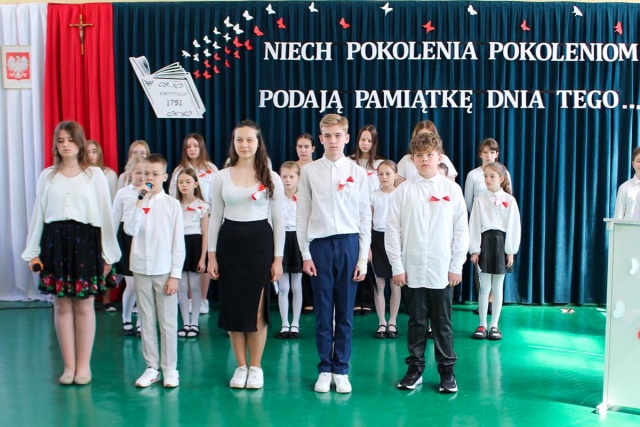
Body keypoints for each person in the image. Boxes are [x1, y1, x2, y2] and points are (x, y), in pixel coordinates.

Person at [22, 120, 121, 385]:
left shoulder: (94, 175)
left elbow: (105, 215)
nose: (65, 145)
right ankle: (68, 366)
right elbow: (38, 214)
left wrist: (108, 254)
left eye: (70, 140)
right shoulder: (47, 175)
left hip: (86, 242)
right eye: (60, 140)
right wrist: (33, 251)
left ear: (80, 143)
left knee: (85, 305)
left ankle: (84, 367)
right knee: (62, 305)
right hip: (55, 242)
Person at [385, 132, 469, 393]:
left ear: (439, 157)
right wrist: (397, 267)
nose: (425, 160)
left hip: (441, 268)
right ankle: (415, 369)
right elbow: (392, 231)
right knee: (416, 322)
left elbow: (461, 230)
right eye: (419, 155)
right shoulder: (403, 190)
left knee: (442, 323)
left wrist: (456, 265)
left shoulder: (452, 190)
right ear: (412, 159)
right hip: (412, 268)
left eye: (429, 155)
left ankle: (447, 372)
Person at [297, 113, 371, 394]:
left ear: (347, 138)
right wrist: (305, 253)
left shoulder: (358, 172)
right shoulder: (310, 171)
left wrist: (362, 258)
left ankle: (341, 369)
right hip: (320, 246)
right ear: (320, 138)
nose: (332, 140)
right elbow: (302, 214)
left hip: (349, 244)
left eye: (338, 135)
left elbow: (364, 216)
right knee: (323, 312)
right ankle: (324, 368)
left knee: (345, 314)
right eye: (327, 136)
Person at [208, 120, 285, 390]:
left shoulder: (271, 177)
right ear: (233, 143)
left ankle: (256, 366)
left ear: (258, 143)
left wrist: (278, 259)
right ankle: (241, 366)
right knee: (234, 308)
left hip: (260, 245)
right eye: (239, 140)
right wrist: (211, 255)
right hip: (230, 245)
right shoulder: (221, 176)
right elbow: (215, 217)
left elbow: (279, 220)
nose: (244, 144)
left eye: (249, 139)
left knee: (257, 310)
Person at [124, 154, 185, 388]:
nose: (149, 177)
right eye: (145, 173)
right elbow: (130, 230)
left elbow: (178, 243)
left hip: (164, 269)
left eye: (154, 174)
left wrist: (175, 275)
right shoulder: (136, 201)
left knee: (167, 321)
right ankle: (152, 367)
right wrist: (139, 205)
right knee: (146, 319)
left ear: (164, 177)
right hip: (140, 268)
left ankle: (170, 369)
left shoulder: (172, 204)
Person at [469, 162, 521, 341]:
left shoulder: (509, 200)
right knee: (484, 287)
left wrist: (510, 251)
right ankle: (482, 324)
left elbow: (513, 226)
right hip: (485, 244)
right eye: (485, 176)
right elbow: (474, 225)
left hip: (501, 244)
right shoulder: (480, 200)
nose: (488, 180)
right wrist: (475, 250)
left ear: (501, 179)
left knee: (498, 287)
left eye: (492, 176)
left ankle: (494, 325)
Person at [168, 133, 218, 316]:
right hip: (185, 220)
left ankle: (202, 299)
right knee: (186, 265)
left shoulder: (211, 169)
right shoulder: (179, 170)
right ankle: (188, 300)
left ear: (201, 147)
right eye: (188, 146)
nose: (192, 149)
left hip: (207, 216)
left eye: (195, 146)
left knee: (202, 261)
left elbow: (217, 193)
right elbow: (172, 195)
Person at [463, 138, 514, 315]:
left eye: (492, 152)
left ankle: (492, 305)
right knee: (482, 270)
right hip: (481, 227)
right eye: (485, 152)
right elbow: (468, 201)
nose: (488, 155)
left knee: (497, 272)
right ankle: (483, 304)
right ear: (480, 154)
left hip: (499, 231)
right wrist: (480, 218)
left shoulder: (504, 173)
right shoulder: (473, 175)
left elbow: (508, 197)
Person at [350, 125, 384, 316]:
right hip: (353, 215)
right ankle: (354, 299)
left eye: (369, 140)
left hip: (374, 216)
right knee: (355, 256)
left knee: (371, 259)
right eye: (363, 139)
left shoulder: (380, 164)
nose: (365, 143)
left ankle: (367, 299)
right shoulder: (349, 162)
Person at [112, 155, 146, 336]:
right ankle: (126, 318)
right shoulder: (123, 193)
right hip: (126, 239)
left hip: (144, 238)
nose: (141, 176)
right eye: (138, 172)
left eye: (145, 173)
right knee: (131, 284)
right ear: (130, 173)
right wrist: (111, 245)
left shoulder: (151, 192)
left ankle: (141, 321)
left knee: (142, 284)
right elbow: (115, 219)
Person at [175, 168, 209, 338]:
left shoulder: (203, 206)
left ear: (195, 184)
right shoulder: (174, 205)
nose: (184, 185)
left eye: (188, 181)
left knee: (195, 286)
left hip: (195, 245)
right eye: (181, 182)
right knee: (181, 286)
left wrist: (203, 258)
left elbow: (206, 234)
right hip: (179, 245)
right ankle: (185, 323)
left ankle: (194, 323)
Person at [370, 160, 401, 339]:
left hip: (396, 239)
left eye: (388, 173)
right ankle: (382, 321)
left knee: (395, 283)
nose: (384, 177)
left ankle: (393, 321)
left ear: (396, 175)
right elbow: (367, 221)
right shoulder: (373, 195)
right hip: (377, 239)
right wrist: (367, 247)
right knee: (379, 284)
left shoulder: (401, 194)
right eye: (380, 174)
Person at [275, 161, 304, 339]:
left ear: (298, 178)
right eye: (284, 176)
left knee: (296, 285)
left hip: (298, 239)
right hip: (281, 239)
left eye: (291, 176)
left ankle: (296, 323)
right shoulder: (276, 197)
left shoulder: (304, 197)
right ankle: (285, 323)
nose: (287, 180)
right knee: (283, 286)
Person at [294, 133, 316, 314]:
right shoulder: (290, 168)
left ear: (313, 148)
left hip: (314, 220)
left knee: (314, 260)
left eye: (306, 146)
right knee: (299, 261)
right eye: (300, 146)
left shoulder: (317, 169)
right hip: (294, 221)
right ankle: (304, 300)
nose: (303, 150)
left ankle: (315, 299)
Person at [614, 146, 640, 219]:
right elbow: (618, 217)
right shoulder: (624, 188)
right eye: (639, 161)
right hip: (629, 226)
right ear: (633, 164)